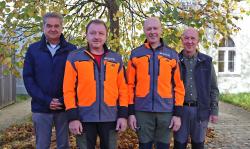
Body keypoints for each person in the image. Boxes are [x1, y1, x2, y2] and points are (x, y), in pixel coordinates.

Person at [63, 19, 128, 149]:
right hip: (83, 119)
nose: (97, 37)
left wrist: (123, 115)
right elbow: (68, 89)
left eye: (100, 33)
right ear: (86, 35)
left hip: (111, 118)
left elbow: (123, 89)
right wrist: (72, 118)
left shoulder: (116, 59)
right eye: (92, 33)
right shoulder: (74, 57)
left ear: (106, 36)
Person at [126, 17, 185, 149]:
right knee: (144, 146)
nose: (152, 32)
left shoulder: (172, 55)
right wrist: (130, 113)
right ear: (144, 31)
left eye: (155, 28)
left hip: (166, 111)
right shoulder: (136, 54)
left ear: (161, 30)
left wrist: (177, 114)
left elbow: (179, 87)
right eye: (149, 29)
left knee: (163, 146)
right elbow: (129, 85)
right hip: (142, 111)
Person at [23, 12, 77, 149]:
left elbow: (77, 80)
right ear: (43, 27)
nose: (53, 29)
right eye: (49, 25)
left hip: (64, 107)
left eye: (56, 26)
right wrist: (46, 100)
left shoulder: (72, 50)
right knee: (42, 145)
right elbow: (28, 79)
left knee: (64, 145)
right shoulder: (33, 49)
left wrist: (63, 100)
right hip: (41, 107)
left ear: (62, 28)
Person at [174, 27, 219, 149]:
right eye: (186, 38)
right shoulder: (174, 60)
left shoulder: (207, 61)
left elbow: (214, 88)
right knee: (179, 144)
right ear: (182, 40)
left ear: (197, 41)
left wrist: (214, 111)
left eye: (193, 38)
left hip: (200, 110)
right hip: (180, 110)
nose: (189, 41)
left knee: (198, 145)